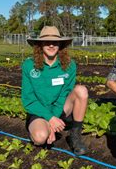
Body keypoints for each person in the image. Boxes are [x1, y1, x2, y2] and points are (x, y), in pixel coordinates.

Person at [21, 26, 88, 155]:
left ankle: (75, 136)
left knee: (81, 90)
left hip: (60, 108)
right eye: (47, 42)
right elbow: (29, 100)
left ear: (60, 44)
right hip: (39, 111)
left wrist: (53, 119)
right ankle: (37, 127)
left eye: (55, 42)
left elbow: (64, 95)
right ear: (40, 45)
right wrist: (49, 118)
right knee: (40, 138)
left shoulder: (69, 65)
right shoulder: (29, 65)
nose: (51, 45)